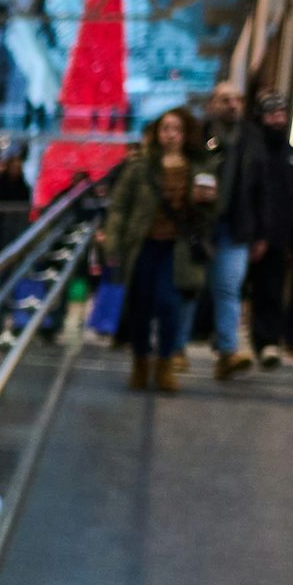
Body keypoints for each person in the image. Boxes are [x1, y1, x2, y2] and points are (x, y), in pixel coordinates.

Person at [105, 107, 217, 392]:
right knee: (141, 306)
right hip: (143, 244)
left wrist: (205, 201)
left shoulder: (198, 167)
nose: (170, 134)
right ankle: (141, 363)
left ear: (185, 134)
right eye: (165, 128)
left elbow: (210, 215)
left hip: (177, 248)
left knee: (169, 305)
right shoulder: (141, 167)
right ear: (158, 132)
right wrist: (113, 243)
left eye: (176, 129)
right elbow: (120, 206)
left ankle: (166, 363)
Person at [179, 83, 266, 379]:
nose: (232, 105)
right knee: (190, 287)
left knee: (228, 287)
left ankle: (227, 352)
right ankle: (176, 349)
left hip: (236, 227)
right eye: (225, 99)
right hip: (200, 225)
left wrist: (260, 233)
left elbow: (262, 190)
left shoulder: (252, 139)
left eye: (237, 99)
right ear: (212, 104)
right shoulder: (197, 137)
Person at [248, 92, 293, 369]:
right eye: (272, 114)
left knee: (270, 291)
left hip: (278, 238)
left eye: (282, 113)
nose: (277, 119)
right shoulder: (252, 153)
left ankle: (267, 342)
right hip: (247, 235)